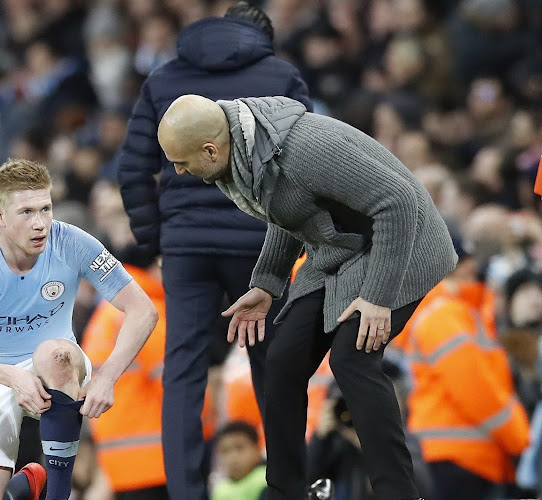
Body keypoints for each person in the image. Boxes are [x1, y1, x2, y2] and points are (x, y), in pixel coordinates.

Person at [156, 94, 457, 500]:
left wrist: (377, 298)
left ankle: (398, 492)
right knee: (282, 361)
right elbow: (290, 209)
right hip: (341, 250)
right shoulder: (250, 150)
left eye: (182, 160)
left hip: (402, 243)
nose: (178, 170)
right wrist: (266, 284)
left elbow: (399, 202)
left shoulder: (302, 149)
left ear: (211, 150)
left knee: (353, 358)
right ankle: (286, 492)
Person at [117, 3, 311, 498]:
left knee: (183, 369)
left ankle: (184, 491)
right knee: (276, 364)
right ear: (262, 38)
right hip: (261, 242)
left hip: (185, 245)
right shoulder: (281, 75)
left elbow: (133, 168)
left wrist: (156, 240)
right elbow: (305, 162)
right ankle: (288, 487)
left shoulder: (163, 79)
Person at [0, 158, 158, 500]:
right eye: (26, 212)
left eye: (46, 209)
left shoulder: (72, 242)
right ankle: (28, 487)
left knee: (54, 354)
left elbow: (143, 310)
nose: (40, 223)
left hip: (54, 367)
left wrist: (106, 377)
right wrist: (10, 376)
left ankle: (57, 492)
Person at [405, 241, 529, 500]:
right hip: (459, 458)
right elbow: (476, 389)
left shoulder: (457, 313)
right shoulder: (445, 315)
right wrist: (519, 438)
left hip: (461, 456)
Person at [82, 252, 170, 500]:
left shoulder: (103, 317)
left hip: (119, 465)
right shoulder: (146, 314)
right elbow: (175, 386)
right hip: (158, 462)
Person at [211, 421, 267, 500]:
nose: (233, 458)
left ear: (257, 449)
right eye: (225, 451)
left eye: (239, 448)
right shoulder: (220, 490)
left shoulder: (266, 479)